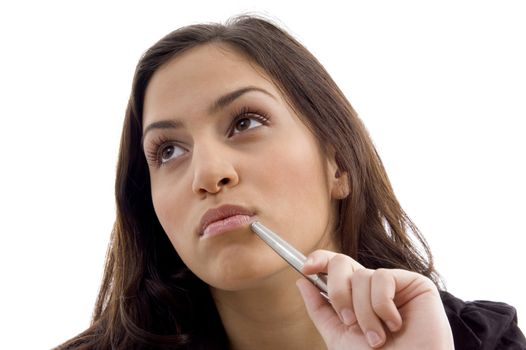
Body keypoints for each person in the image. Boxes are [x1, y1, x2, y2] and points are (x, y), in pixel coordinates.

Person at [57, 15, 526, 350]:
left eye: (245, 122)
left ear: (338, 163)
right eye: (168, 151)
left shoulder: (480, 341)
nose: (206, 175)